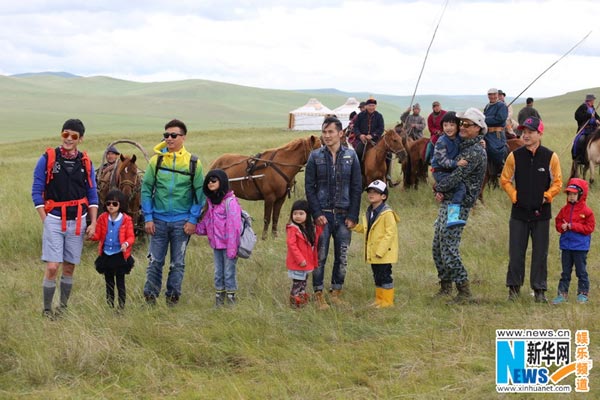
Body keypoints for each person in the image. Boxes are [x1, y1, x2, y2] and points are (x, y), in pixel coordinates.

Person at [31, 118, 98, 318]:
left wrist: (93, 222)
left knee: (69, 267)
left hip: (78, 220)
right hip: (54, 218)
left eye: (73, 136)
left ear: (81, 139)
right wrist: (46, 219)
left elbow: (92, 194)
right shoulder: (48, 158)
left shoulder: (85, 162)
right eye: (65, 134)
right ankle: (46, 309)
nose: (68, 139)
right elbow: (36, 191)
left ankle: (63, 308)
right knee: (52, 267)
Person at [141, 119, 205, 306]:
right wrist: (148, 217)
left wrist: (193, 219)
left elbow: (199, 195)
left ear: (183, 137)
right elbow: (146, 190)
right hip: (158, 221)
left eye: (173, 135)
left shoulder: (193, 163)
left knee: (178, 263)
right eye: (166, 135)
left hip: (182, 222)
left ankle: (172, 299)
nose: (169, 138)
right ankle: (150, 299)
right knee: (155, 262)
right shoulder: (156, 161)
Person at [500, 117, 562, 303]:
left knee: (540, 252)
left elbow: (558, 182)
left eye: (530, 131)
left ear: (539, 134)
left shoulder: (551, 156)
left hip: (541, 214)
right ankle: (513, 290)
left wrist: (548, 196)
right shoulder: (514, 156)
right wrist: (514, 196)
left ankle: (540, 290)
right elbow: (505, 180)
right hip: (518, 213)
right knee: (516, 251)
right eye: (523, 131)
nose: (525, 135)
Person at [306, 116, 362, 309]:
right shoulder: (315, 157)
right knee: (320, 256)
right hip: (323, 215)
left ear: (340, 133)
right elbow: (309, 187)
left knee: (342, 256)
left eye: (330, 132)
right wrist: (316, 213)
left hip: (344, 214)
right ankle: (318, 293)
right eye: (324, 132)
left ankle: (336, 291)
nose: (327, 135)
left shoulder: (351, 156)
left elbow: (356, 187)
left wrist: (353, 215)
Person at [432, 108, 487, 303]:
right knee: (437, 245)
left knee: (448, 245)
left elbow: (456, 177)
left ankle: (464, 291)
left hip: (459, 205)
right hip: (447, 201)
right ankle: (445, 286)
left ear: (479, 128)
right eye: (461, 123)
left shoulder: (475, 152)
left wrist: (437, 186)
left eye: (467, 124)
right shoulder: (463, 145)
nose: (462, 126)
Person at [195, 169, 242, 307]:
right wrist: (194, 228)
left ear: (222, 182)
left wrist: (232, 248)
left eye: (214, 180)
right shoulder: (212, 202)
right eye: (208, 180)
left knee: (229, 272)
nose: (210, 183)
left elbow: (234, 227)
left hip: (229, 245)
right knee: (218, 272)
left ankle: (231, 298)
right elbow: (207, 222)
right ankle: (219, 299)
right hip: (216, 245)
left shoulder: (230, 202)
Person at [351, 180, 399, 308]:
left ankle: (388, 302)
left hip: (383, 253)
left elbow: (390, 234)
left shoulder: (387, 213)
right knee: (377, 276)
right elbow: (368, 229)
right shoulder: (370, 211)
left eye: (376, 193)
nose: (371, 195)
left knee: (385, 276)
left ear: (383, 196)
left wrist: (380, 251)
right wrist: (355, 227)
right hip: (374, 252)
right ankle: (379, 299)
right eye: (370, 192)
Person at [551, 178, 595, 304]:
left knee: (581, 271)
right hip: (566, 246)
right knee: (565, 272)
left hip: (580, 247)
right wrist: (562, 227)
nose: (571, 197)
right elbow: (558, 222)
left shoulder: (587, 212)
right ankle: (562, 294)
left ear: (581, 194)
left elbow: (589, 228)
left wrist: (572, 226)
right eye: (569, 194)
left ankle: (583, 293)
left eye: (574, 194)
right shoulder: (564, 210)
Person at [89, 190, 135, 309]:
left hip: (120, 254)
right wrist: (90, 235)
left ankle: (121, 305)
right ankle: (110, 304)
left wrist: (125, 243)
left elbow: (131, 237)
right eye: (108, 203)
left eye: (115, 204)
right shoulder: (102, 218)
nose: (111, 206)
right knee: (108, 281)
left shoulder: (126, 219)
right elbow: (98, 235)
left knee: (120, 281)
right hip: (106, 255)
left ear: (121, 205)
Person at [431, 111, 468, 227]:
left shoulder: (458, 138)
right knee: (460, 187)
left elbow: (468, 142)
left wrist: (481, 142)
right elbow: (442, 161)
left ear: (457, 126)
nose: (448, 128)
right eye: (445, 125)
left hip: (449, 171)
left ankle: (440, 221)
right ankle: (452, 218)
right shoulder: (441, 141)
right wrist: (456, 163)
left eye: (452, 125)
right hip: (440, 171)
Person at [286, 199, 322, 308]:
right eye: (295, 213)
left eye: (301, 213)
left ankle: (301, 299)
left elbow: (316, 235)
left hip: (306, 263)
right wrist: (300, 259)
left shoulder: (307, 228)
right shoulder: (293, 228)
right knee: (297, 283)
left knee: (303, 282)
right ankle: (294, 302)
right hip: (298, 263)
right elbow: (292, 245)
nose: (297, 216)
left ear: (307, 214)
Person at [483, 88, 509, 177]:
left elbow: (500, 119)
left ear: (497, 95)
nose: (492, 96)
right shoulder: (487, 106)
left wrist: (484, 119)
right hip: (486, 133)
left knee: (495, 150)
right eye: (490, 94)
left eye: (494, 94)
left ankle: (500, 167)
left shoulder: (502, 106)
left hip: (496, 134)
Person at [572, 94, 600, 161]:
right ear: (589, 100)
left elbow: (597, 117)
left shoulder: (593, 108)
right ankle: (580, 157)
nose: (594, 101)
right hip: (585, 129)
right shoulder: (583, 107)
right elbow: (577, 116)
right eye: (593, 100)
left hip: (593, 129)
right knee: (581, 140)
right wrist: (588, 115)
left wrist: (598, 120)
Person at [95, 145, 121, 211]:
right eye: (108, 154)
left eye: (112, 154)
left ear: (116, 156)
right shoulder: (102, 169)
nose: (110, 156)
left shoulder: (121, 167)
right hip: (104, 196)